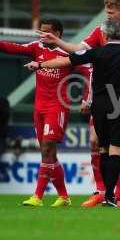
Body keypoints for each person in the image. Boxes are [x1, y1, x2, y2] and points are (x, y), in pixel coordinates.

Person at [39, 0, 120, 207]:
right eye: (106, 11)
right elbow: (78, 51)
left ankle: (117, 193)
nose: (108, 15)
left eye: (111, 12)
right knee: (95, 141)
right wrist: (58, 42)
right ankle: (101, 191)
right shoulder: (101, 31)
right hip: (100, 96)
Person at [0, 19, 90, 207]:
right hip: (39, 108)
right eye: (41, 31)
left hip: (57, 108)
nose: (42, 35)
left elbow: (88, 72)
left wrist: (86, 98)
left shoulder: (67, 53)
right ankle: (64, 197)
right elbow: (12, 48)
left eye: (47, 32)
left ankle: (38, 196)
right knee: (49, 154)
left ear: (57, 34)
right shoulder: (36, 47)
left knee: (47, 149)